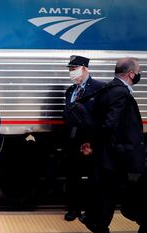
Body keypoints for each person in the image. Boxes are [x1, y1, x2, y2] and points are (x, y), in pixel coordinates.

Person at [80, 57, 145, 233]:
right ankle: (97, 223)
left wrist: (92, 142)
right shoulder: (120, 93)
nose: (139, 74)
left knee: (107, 196)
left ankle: (96, 222)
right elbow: (109, 124)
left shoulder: (107, 88)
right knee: (122, 197)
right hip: (120, 158)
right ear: (132, 74)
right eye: (138, 71)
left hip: (108, 157)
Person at [62, 55, 105, 221]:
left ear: (85, 68)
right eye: (70, 70)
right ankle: (74, 209)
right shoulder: (70, 91)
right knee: (73, 176)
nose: (72, 73)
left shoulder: (99, 88)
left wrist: (93, 142)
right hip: (72, 139)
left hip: (90, 141)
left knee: (92, 177)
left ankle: (91, 210)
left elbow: (102, 117)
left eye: (74, 69)